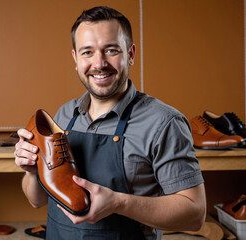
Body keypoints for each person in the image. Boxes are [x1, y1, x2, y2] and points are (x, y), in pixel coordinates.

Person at [15, 6, 206, 240]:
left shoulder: (164, 122)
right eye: (87, 52)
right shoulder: (65, 115)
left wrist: (118, 203)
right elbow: (37, 200)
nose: (99, 63)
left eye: (111, 50)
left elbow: (195, 214)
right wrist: (33, 172)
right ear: (75, 58)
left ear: (131, 54)